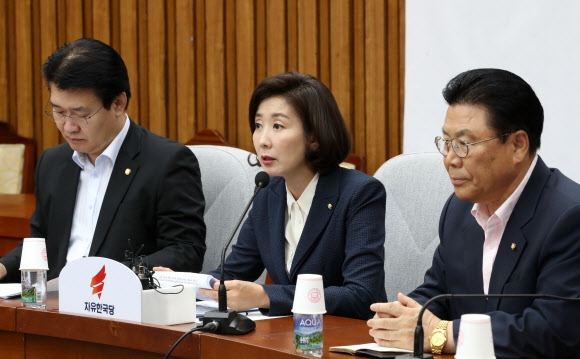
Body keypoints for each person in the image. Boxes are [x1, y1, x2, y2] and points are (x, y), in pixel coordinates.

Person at [367, 68, 580, 358]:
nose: (450, 159)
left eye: (464, 144)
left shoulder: (569, 216)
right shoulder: (459, 210)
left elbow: (554, 329)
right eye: (446, 143)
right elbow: (438, 294)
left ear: (518, 145)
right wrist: (401, 319)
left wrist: (441, 335)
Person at [159, 71, 387, 319]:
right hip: (289, 337)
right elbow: (234, 272)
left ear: (315, 137)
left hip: (345, 340)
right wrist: (182, 284)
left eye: (278, 126)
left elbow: (361, 296)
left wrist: (266, 296)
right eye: (258, 125)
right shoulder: (269, 193)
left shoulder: (360, 193)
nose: (262, 140)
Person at [0, 38, 206, 283]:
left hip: (118, 308)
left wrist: (110, 278)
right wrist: (3, 267)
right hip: (54, 308)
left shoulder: (166, 162)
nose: (67, 126)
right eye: (58, 112)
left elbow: (185, 250)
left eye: (81, 114)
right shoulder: (53, 163)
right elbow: (40, 244)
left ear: (118, 103)